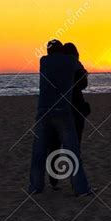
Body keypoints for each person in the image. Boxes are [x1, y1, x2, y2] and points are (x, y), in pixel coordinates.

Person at [28, 39, 92, 196]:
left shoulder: (43, 61)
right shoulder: (70, 61)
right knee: (72, 151)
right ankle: (81, 190)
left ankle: (35, 187)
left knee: (39, 152)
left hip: (43, 111)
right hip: (62, 110)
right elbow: (82, 75)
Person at [47, 42, 91, 190]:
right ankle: (76, 183)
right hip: (75, 110)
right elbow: (83, 84)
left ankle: (53, 180)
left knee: (54, 145)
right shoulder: (75, 66)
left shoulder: (55, 68)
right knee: (74, 147)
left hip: (56, 108)